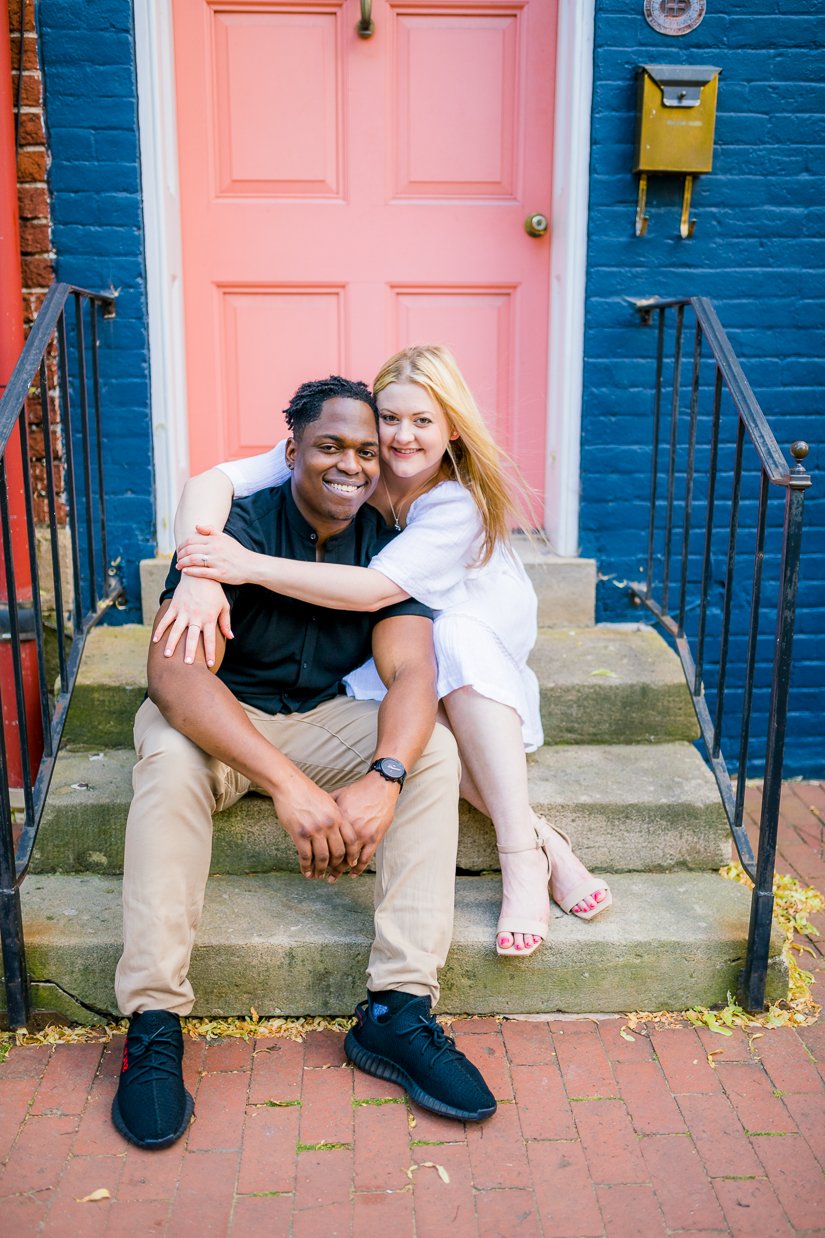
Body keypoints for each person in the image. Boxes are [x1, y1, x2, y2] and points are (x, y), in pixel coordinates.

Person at [111, 377, 497, 1151]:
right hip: (224, 716)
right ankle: (153, 1023)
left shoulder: (388, 546)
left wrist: (383, 777)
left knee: (432, 752)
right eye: (329, 446)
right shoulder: (230, 530)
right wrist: (289, 788)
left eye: (364, 449)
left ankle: (398, 1011)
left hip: (321, 719)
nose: (349, 463)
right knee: (166, 753)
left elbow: (412, 675)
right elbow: (177, 677)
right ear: (291, 450)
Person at [163, 346, 611, 958]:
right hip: (390, 631)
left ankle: (525, 853)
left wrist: (245, 566)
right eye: (390, 419)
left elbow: (378, 589)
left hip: (469, 620)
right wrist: (200, 572)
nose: (400, 437)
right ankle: (546, 840)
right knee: (419, 720)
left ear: (451, 429)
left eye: (422, 421)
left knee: (445, 660)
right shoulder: (346, 454)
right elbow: (209, 483)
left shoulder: (455, 503)